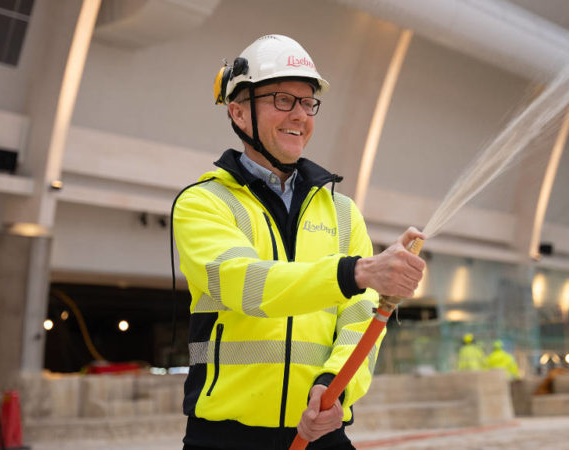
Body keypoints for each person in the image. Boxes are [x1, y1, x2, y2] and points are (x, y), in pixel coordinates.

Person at [173, 35, 425, 450]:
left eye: (308, 103)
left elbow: (361, 315)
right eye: (282, 99)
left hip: (321, 430)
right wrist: (357, 271)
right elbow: (246, 284)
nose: (301, 115)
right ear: (238, 112)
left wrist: (335, 387)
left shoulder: (343, 212)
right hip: (225, 438)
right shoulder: (203, 203)